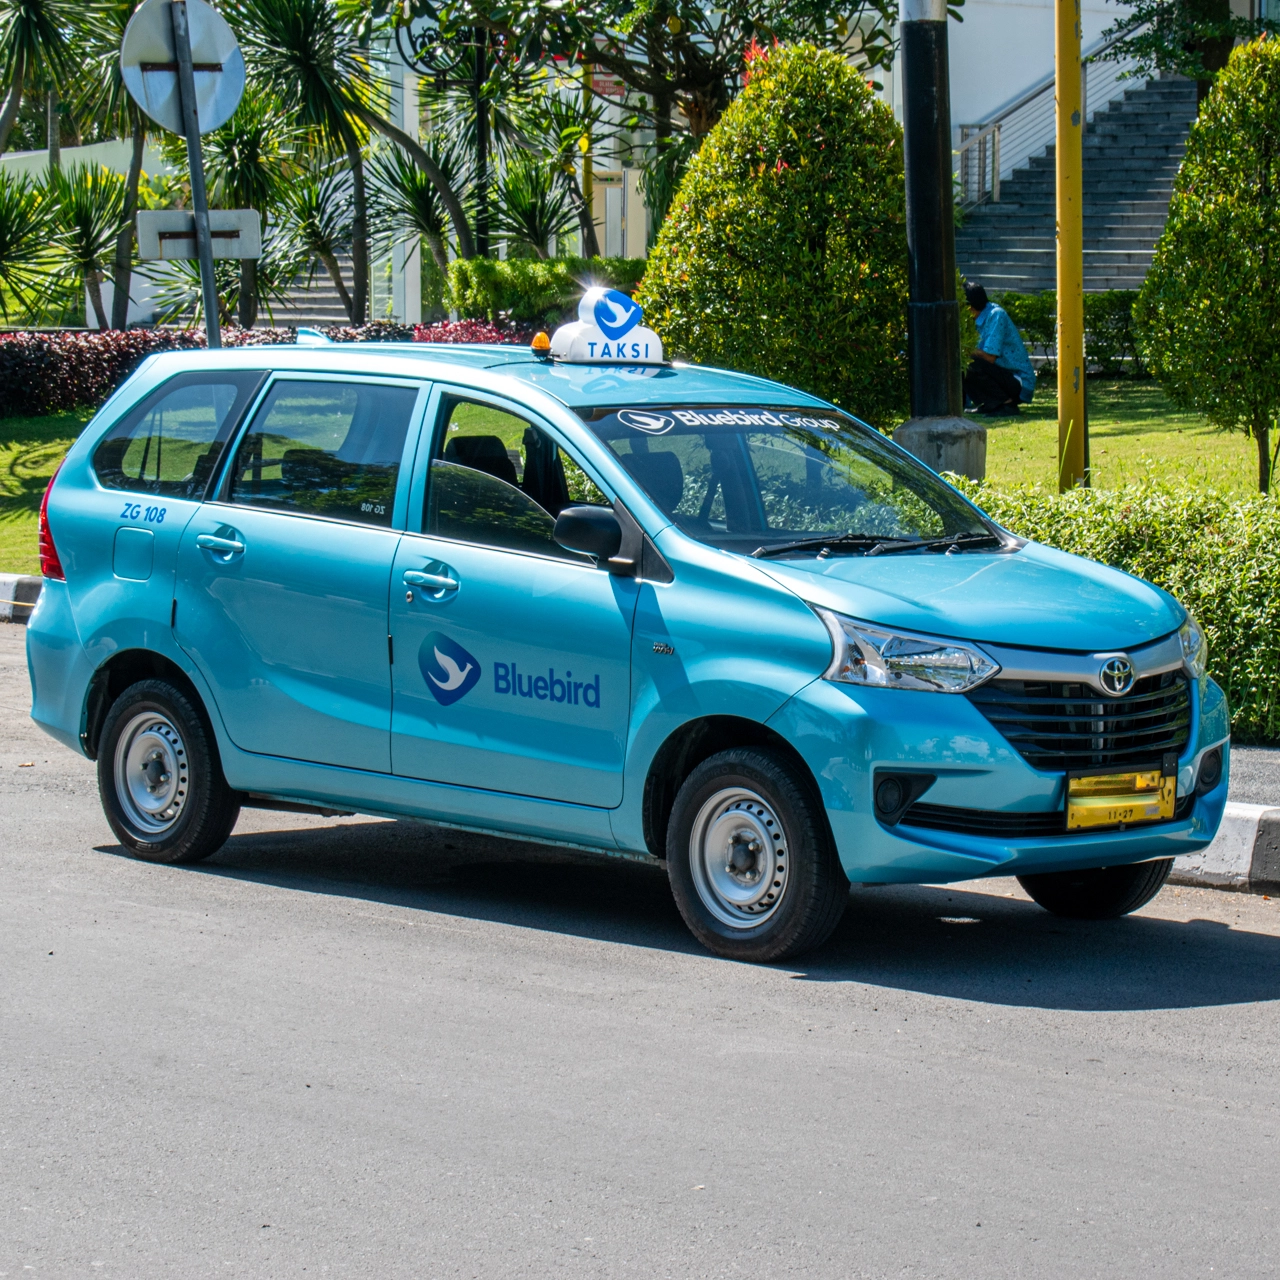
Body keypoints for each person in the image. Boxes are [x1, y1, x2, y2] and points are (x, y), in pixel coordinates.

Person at [962, 282, 1036, 417]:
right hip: (1002, 375)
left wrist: (963, 348)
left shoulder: (996, 315)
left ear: (969, 306)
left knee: (970, 362)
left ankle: (1006, 404)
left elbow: (990, 357)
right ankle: (990, 404)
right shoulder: (978, 318)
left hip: (1017, 380)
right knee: (962, 362)